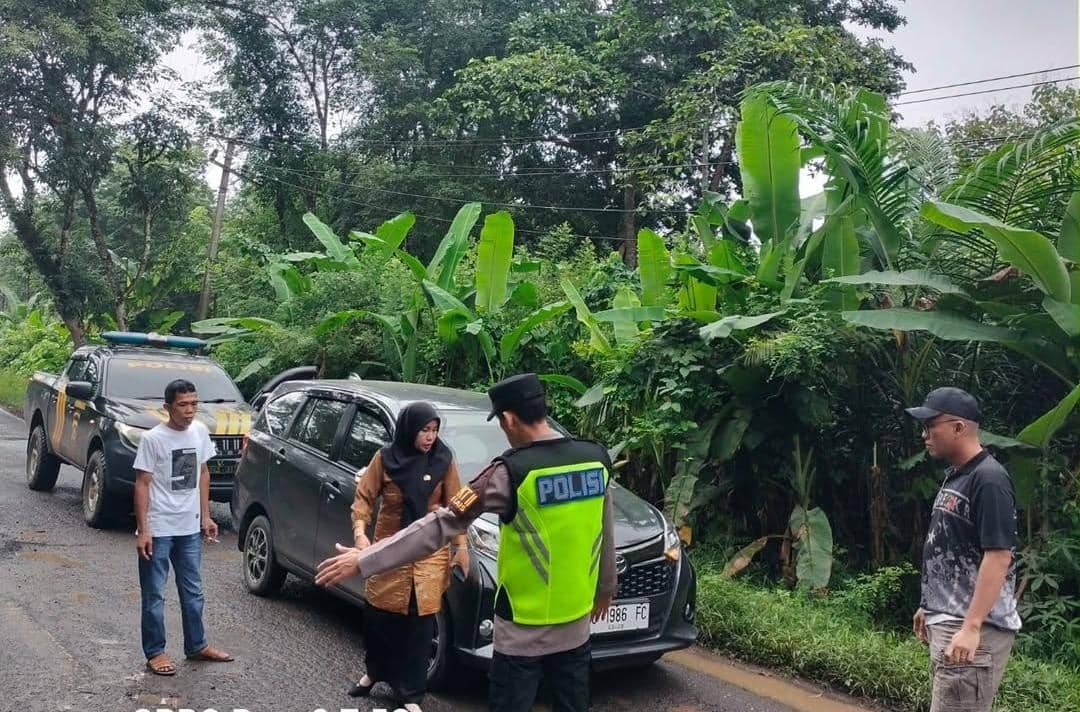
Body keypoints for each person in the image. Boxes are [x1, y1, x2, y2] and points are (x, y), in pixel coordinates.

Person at [316, 373, 617, 712]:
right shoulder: (596, 459)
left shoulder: (509, 472)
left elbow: (441, 523)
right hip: (577, 622)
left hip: (521, 628)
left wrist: (365, 558)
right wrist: (606, 587)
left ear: (508, 419)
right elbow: (603, 530)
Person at [347, 402, 470, 712]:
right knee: (379, 618)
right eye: (424, 430)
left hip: (428, 554)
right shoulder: (385, 458)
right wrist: (361, 534)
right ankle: (374, 673)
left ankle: (411, 694)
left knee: (420, 624)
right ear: (408, 429)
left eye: (434, 430)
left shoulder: (443, 460)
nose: (430, 437)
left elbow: (457, 508)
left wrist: (462, 547)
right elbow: (364, 498)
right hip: (389, 550)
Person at [906, 387, 1021, 712]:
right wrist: (930, 606)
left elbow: (999, 556)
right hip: (950, 619)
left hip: (974, 629)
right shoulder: (958, 476)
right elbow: (951, 548)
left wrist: (971, 627)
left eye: (931, 425)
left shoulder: (989, 480)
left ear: (959, 427)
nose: (925, 434)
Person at [133, 378, 233, 676]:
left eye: (194, 404)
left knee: (193, 590)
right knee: (154, 594)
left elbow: (203, 473)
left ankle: (197, 645)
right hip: (159, 527)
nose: (189, 411)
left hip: (188, 527)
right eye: (183, 405)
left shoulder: (200, 432)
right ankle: (155, 652)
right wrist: (144, 529)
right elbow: (142, 484)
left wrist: (206, 516)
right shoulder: (153, 439)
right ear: (167, 407)